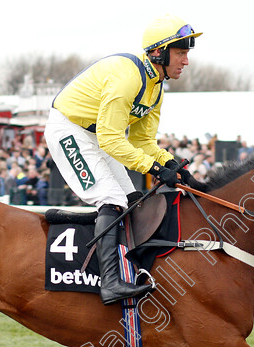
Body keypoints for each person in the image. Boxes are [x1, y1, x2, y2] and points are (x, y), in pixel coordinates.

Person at [44, 14, 204, 305]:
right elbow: (111, 139)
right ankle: (110, 284)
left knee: (132, 198)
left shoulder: (156, 88)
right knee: (111, 197)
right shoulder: (127, 79)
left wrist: (170, 163)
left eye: (186, 54)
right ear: (159, 52)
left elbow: (142, 142)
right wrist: (153, 167)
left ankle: (132, 269)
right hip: (69, 128)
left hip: (97, 134)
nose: (186, 61)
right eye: (181, 53)